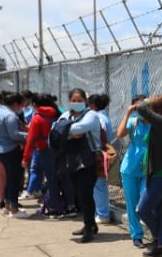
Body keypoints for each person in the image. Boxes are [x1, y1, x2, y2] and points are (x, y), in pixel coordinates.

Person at [134, 94, 162, 257]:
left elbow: (140, 108)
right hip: (155, 173)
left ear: (158, 110)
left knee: (142, 209)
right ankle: (161, 245)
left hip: (161, 174)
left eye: (152, 108)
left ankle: (157, 236)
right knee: (160, 211)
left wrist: (148, 100)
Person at [61, 88, 103, 242]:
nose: (76, 103)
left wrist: (65, 131)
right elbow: (55, 129)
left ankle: (89, 228)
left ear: (85, 101)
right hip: (72, 160)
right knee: (78, 193)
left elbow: (80, 128)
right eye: (74, 100)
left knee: (85, 194)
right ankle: (90, 224)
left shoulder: (91, 115)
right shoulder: (67, 115)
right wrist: (69, 132)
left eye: (80, 100)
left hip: (88, 160)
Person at [116, 93, 150, 248]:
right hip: (130, 167)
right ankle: (136, 235)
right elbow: (120, 134)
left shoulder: (155, 123)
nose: (141, 110)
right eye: (138, 107)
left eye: (144, 106)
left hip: (149, 167)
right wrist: (129, 112)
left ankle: (154, 233)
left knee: (146, 199)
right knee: (132, 202)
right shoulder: (133, 121)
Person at [0, 91, 30, 217]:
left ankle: (8, 206)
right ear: (15, 104)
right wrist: (30, 135)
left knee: (10, 178)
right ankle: (14, 209)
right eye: (20, 105)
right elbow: (14, 135)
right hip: (11, 150)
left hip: (1, 149)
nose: (21, 108)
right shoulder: (10, 116)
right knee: (15, 180)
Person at [22, 93, 59, 205]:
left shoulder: (37, 118)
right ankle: (62, 203)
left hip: (43, 149)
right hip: (56, 148)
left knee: (49, 178)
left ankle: (52, 205)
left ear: (35, 104)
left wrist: (25, 158)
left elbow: (31, 139)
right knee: (55, 177)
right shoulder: (57, 113)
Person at [88, 93, 117, 226]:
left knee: (98, 185)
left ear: (92, 105)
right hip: (100, 152)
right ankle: (101, 213)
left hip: (98, 154)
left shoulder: (98, 118)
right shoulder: (102, 116)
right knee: (97, 185)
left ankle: (103, 214)